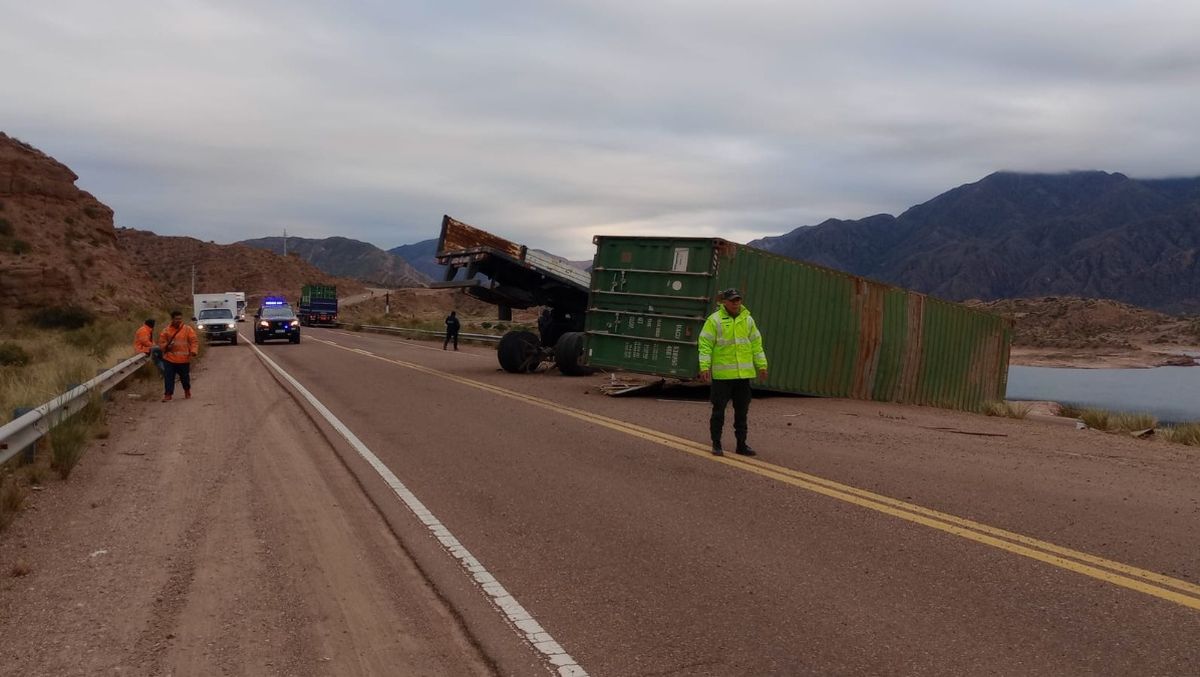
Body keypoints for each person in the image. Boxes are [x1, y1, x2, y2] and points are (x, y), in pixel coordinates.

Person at [697, 288, 768, 456]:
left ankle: (741, 445)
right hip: (722, 377)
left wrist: (762, 365)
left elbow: (756, 345)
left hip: (743, 377)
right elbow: (705, 345)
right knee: (718, 411)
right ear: (724, 302)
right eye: (732, 300)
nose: (736, 303)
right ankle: (716, 444)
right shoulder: (714, 320)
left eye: (738, 300)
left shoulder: (748, 320)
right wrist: (704, 367)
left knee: (742, 412)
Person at [158, 310, 198, 402]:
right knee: (168, 377)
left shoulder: (187, 329)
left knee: (185, 378)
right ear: (172, 319)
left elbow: (194, 341)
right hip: (169, 359)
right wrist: (167, 345)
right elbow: (161, 344)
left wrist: (193, 351)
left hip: (183, 360)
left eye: (180, 319)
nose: (179, 320)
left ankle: (187, 391)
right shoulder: (166, 330)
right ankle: (168, 394)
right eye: (176, 319)